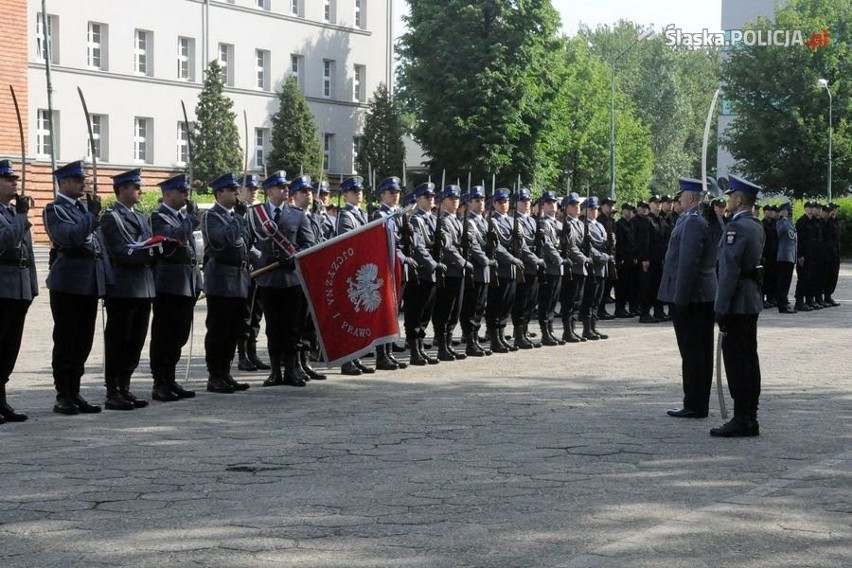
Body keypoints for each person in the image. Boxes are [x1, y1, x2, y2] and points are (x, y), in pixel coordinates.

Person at [43, 160, 108, 415]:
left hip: (89, 282)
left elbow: (97, 244)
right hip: (68, 282)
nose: (83, 184)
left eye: (83, 179)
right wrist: (91, 217)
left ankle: (75, 390)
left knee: (83, 341)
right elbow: (69, 238)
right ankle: (63, 394)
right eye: (78, 180)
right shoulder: (55, 209)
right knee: (66, 340)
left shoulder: (82, 209)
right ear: (64, 183)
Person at [658, 178, 719, 419]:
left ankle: (694, 403)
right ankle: (696, 401)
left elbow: (688, 264)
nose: (679, 199)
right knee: (698, 352)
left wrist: (680, 299)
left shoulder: (693, 222)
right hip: (699, 296)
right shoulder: (693, 219)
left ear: (691, 198)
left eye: (682, 195)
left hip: (693, 298)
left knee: (694, 353)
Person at [250, 173, 317, 387]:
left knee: (292, 327)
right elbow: (248, 243)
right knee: (273, 328)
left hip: (291, 280)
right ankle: (275, 372)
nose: (285, 190)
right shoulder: (255, 214)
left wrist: (295, 256)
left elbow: (309, 244)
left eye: (286, 186)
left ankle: (291, 370)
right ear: (269, 191)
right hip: (268, 279)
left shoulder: (298, 215)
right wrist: (259, 259)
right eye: (280, 187)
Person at [99, 168, 158, 411]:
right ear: (122, 189)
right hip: (123, 288)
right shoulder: (112, 217)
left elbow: (145, 244)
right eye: (135, 187)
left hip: (143, 287)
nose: (140, 191)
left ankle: (125, 386)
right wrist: (151, 251)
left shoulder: (141, 216)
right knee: (118, 340)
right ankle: (113, 390)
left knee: (135, 340)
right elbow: (122, 251)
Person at [712, 175, 765, 437]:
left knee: (736, 362)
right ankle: (749, 415)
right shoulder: (755, 225)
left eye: (731, 196)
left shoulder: (737, 228)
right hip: (750, 299)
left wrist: (721, 306)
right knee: (749, 359)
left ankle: (741, 417)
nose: (728, 200)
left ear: (739, 199)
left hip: (737, 302)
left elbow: (729, 270)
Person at [148, 173, 200, 401]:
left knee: (179, 335)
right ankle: (160, 381)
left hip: (185, 284)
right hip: (168, 284)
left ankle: (170, 379)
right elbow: (173, 240)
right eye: (182, 192)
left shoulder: (180, 217)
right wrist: (190, 220)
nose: (186, 196)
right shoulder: (158, 217)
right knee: (164, 335)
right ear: (168, 194)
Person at [202, 172, 252, 394]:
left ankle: (226, 372)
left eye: (236, 190)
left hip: (239, 280)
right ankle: (215, 375)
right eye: (231, 190)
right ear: (219, 193)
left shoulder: (235, 215)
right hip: (221, 280)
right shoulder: (211, 216)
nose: (236, 193)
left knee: (234, 329)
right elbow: (223, 240)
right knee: (219, 329)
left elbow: (245, 244)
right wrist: (239, 219)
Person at [0, 160, 37, 423]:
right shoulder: (15, 215)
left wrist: (33, 285)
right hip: (2, 286)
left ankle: (1, 399)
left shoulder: (13, 213)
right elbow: (5, 242)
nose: (15, 182)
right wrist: (23, 217)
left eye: (15, 178)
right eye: (8, 179)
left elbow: (29, 252)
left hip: (19, 287)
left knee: (10, 348)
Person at [336, 176, 377, 375]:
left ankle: (358, 356)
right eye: (354, 191)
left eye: (360, 191)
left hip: (363, 270)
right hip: (352, 274)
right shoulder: (345, 216)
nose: (358, 193)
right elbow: (348, 243)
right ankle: (348, 360)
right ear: (345, 196)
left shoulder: (362, 213)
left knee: (360, 318)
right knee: (351, 318)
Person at [371, 176, 412, 370]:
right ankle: (382, 355)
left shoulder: (398, 214)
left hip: (396, 267)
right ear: (382, 195)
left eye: (397, 193)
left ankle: (388, 352)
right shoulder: (380, 216)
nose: (395, 196)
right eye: (391, 193)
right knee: (385, 312)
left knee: (394, 311)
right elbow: (386, 244)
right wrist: (403, 256)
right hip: (386, 268)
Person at [431, 185, 472, 361]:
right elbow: (448, 247)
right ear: (443, 201)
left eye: (457, 198)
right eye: (451, 198)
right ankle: (442, 345)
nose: (455, 201)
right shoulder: (444, 220)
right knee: (445, 309)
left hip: (459, 271)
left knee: (455, 310)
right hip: (449, 270)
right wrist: (462, 261)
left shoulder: (457, 219)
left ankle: (448, 343)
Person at [485, 189, 528, 353]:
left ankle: (502, 335)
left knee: (507, 305)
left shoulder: (512, 221)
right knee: (496, 304)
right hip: (500, 269)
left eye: (506, 202)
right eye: (501, 202)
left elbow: (520, 245)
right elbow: (498, 247)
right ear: (495, 204)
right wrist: (512, 259)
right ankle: (495, 338)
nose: (504, 205)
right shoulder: (492, 221)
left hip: (512, 270)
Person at [235, 174, 270, 373]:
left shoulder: (260, 211)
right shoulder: (237, 212)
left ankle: (252, 352)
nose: (253, 190)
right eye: (249, 187)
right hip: (247, 268)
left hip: (261, 269)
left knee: (256, 313)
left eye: (255, 187)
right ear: (240, 190)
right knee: (245, 314)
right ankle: (242, 355)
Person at [405, 182, 442, 365]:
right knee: (416, 312)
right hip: (420, 272)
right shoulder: (415, 219)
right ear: (418, 199)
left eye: (432, 196)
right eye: (427, 197)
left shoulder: (434, 219)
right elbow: (418, 247)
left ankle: (420, 347)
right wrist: (433, 264)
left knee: (426, 313)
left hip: (432, 272)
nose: (431, 199)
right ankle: (414, 350)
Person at [458, 186, 496, 357]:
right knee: (471, 307)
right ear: (469, 203)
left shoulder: (484, 221)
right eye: (476, 200)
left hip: (485, 270)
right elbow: (473, 245)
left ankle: (475, 337)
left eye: (482, 200)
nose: (481, 203)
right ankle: (470, 340)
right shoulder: (469, 221)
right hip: (475, 269)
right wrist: (486, 260)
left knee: (481, 306)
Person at [510, 188, 546, 349]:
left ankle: (524, 331)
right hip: (524, 266)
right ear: (516, 203)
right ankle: (519, 334)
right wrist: (536, 260)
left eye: (528, 201)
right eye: (523, 201)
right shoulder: (515, 220)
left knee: (532, 301)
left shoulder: (532, 220)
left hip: (535, 266)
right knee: (522, 302)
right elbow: (522, 246)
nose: (526, 203)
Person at [558, 192, 591, 343]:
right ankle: (567, 330)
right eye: (573, 205)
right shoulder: (567, 224)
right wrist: (584, 258)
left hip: (581, 267)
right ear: (566, 208)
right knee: (569, 300)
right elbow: (570, 246)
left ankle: (573, 328)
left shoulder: (580, 223)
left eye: (578, 204)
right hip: (572, 268)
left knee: (578, 300)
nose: (577, 207)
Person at [535, 191, 566, 346]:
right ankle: (545, 332)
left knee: (554, 301)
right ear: (543, 206)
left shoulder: (559, 224)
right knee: (546, 301)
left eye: (554, 202)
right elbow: (547, 245)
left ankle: (551, 329)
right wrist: (559, 259)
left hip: (558, 267)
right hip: (549, 267)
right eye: (548, 203)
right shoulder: (542, 223)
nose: (552, 205)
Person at [578, 197, 611, 341]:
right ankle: (587, 328)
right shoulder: (584, 225)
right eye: (591, 209)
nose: (594, 212)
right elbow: (588, 247)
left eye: (596, 209)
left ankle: (593, 326)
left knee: (598, 298)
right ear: (584, 210)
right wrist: (602, 256)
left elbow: (605, 243)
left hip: (602, 267)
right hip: (593, 266)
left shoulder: (600, 225)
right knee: (589, 298)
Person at [614, 203, 637, 318]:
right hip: (623, 260)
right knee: (621, 286)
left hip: (631, 259)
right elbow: (619, 243)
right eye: (627, 210)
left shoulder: (631, 224)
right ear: (622, 211)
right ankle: (620, 309)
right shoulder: (619, 225)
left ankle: (629, 308)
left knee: (630, 286)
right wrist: (620, 259)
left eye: (630, 210)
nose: (629, 212)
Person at [774, 202, 797, 314]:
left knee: (787, 281)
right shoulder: (780, 223)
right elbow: (781, 232)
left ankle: (785, 300)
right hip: (783, 256)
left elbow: (794, 239)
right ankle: (782, 303)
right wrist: (783, 218)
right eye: (788, 210)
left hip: (791, 256)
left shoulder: (791, 223)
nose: (790, 212)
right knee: (782, 281)